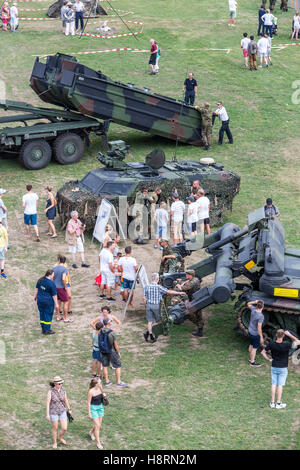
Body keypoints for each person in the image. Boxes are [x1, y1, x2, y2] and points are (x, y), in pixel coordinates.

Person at [143, 272, 185, 343]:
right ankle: (148, 332)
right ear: (157, 279)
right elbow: (168, 291)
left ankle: (149, 334)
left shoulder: (146, 286)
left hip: (149, 305)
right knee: (159, 321)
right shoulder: (158, 287)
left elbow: (144, 297)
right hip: (156, 306)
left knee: (150, 321)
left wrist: (145, 304)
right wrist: (179, 293)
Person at [264, 330, 300, 409]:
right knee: (280, 385)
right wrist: (290, 335)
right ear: (283, 336)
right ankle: (278, 403)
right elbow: (298, 342)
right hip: (283, 368)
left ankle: (272, 403)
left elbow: (263, 352)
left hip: (274, 366)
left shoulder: (271, 344)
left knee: (274, 384)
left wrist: (268, 359)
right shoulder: (287, 344)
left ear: (276, 335)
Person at [99, 318, 128, 387]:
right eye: (111, 322)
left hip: (103, 351)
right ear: (109, 323)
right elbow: (116, 345)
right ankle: (118, 382)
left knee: (105, 366)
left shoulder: (100, 332)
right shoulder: (111, 333)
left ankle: (107, 381)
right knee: (117, 365)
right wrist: (118, 352)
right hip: (111, 351)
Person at [175, 270, 204, 336]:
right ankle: (199, 327)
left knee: (193, 314)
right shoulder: (195, 279)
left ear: (190, 275)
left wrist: (179, 285)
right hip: (196, 299)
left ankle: (200, 329)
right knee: (196, 314)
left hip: (196, 301)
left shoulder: (193, 282)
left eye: (187, 275)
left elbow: (183, 288)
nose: (186, 276)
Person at [46, 376, 72, 449]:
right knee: (55, 428)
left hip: (62, 410)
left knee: (64, 428)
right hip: (53, 412)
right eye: (59, 383)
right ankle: (55, 442)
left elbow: (66, 400)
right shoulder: (50, 392)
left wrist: (69, 409)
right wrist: (47, 414)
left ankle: (60, 437)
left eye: (61, 383)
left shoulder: (63, 390)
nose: (60, 385)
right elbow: (47, 403)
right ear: (55, 384)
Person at [35, 269, 59, 335]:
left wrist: (35, 296)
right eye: (53, 275)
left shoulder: (40, 280)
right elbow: (54, 295)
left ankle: (43, 329)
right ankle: (47, 330)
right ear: (50, 275)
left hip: (40, 300)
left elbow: (37, 289)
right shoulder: (51, 284)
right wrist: (56, 304)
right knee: (48, 315)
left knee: (42, 314)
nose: (53, 276)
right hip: (48, 302)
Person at [88, 377, 107, 449]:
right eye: (100, 382)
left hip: (100, 407)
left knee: (98, 425)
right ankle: (98, 443)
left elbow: (103, 396)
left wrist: (104, 395)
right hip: (93, 409)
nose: (101, 383)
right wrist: (89, 413)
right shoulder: (91, 392)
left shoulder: (100, 388)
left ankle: (91, 432)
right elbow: (88, 403)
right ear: (96, 384)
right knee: (97, 426)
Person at [53, 255, 72, 323]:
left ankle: (58, 316)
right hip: (61, 288)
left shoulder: (54, 268)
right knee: (66, 302)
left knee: (57, 302)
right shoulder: (64, 269)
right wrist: (65, 287)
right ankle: (66, 318)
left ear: (59, 260)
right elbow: (63, 278)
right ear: (64, 262)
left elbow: (52, 277)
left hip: (55, 287)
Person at [247, 300, 265, 367]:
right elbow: (259, 328)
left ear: (257, 305)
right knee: (254, 348)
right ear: (262, 307)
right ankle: (252, 362)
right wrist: (261, 337)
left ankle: (250, 358)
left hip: (250, 330)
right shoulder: (261, 316)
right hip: (255, 334)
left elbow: (248, 303)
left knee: (251, 344)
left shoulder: (253, 309)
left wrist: (255, 301)